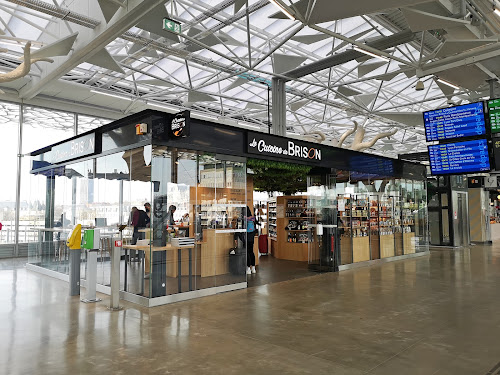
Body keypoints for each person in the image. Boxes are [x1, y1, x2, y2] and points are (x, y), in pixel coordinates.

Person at [242, 206, 258, 275]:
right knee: (251, 252)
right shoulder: (252, 218)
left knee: (247, 252)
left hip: (246, 237)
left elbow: (242, 228)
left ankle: (248, 268)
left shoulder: (244, 218)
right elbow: (256, 226)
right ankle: (253, 268)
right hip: (252, 237)